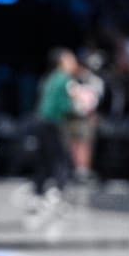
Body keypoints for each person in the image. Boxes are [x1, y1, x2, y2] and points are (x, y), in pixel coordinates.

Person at [30, 47, 80, 213]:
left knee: (44, 158)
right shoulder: (65, 79)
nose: (74, 63)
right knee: (61, 159)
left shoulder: (48, 78)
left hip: (39, 120)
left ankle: (38, 192)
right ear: (62, 62)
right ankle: (56, 194)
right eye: (71, 59)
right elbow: (64, 105)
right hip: (53, 121)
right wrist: (77, 107)